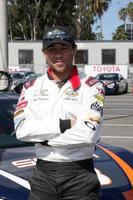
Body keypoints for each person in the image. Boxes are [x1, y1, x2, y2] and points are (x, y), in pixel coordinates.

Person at [14, 26, 105, 200]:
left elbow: (87, 135)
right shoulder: (31, 87)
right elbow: (22, 131)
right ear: (44, 53)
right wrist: (62, 125)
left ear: (74, 50)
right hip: (42, 175)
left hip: (80, 175)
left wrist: (43, 139)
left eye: (63, 48)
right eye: (52, 49)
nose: (58, 54)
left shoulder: (92, 87)